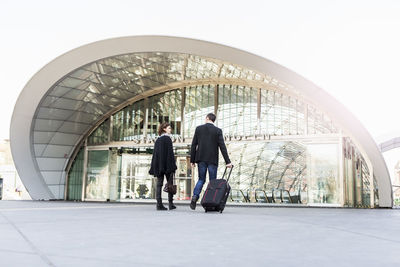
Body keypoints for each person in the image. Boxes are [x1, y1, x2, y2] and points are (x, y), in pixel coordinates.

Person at [190, 113, 233, 210]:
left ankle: (195, 196)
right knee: (212, 182)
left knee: (201, 179)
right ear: (213, 120)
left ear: (207, 118)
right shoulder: (217, 131)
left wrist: (192, 160)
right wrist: (228, 162)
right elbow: (222, 147)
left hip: (200, 158)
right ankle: (211, 203)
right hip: (212, 160)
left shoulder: (199, 129)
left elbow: (193, 145)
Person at [149, 122, 177, 210]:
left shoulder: (158, 140)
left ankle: (159, 204)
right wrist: (173, 166)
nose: (170, 130)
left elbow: (155, 155)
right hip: (168, 165)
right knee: (170, 184)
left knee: (159, 184)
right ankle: (170, 203)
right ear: (164, 129)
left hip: (159, 165)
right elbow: (170, 154)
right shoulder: (168, 139)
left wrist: (155, 166)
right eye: (169, 128)